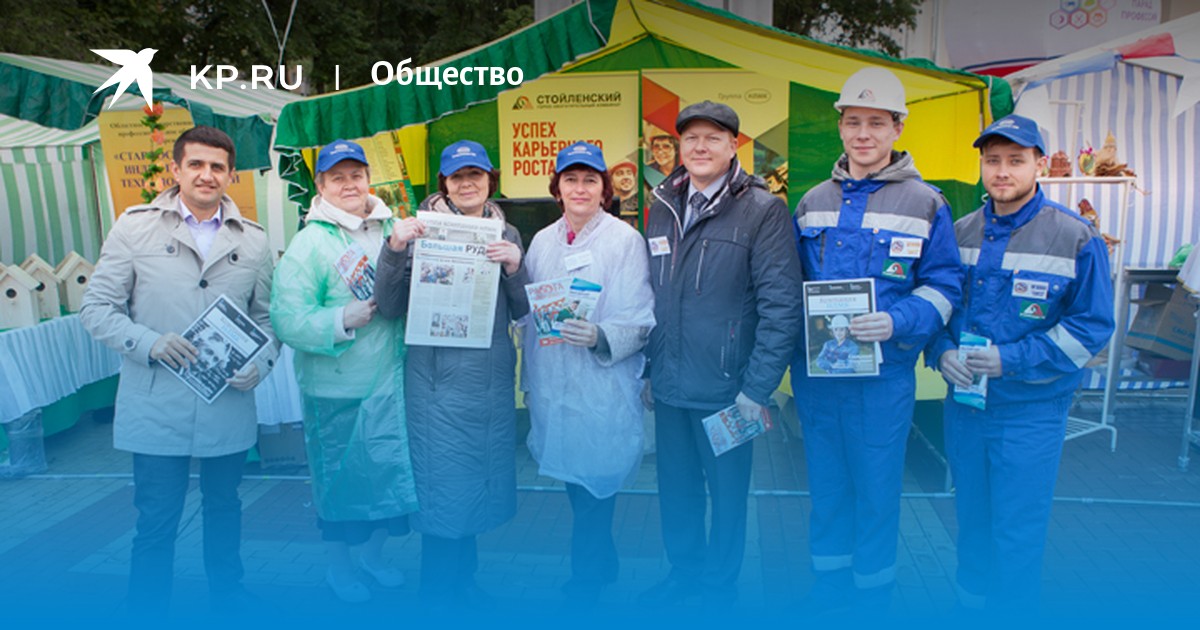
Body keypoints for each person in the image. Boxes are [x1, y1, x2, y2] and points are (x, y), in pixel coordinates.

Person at [79, 126, 278, 615]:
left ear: (231, 174)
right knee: (155, 518)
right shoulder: (135, 227)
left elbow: (266, 319)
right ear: (176, 169)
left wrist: (261, 363)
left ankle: (228, 598)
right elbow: (97, 308)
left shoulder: (253, 241)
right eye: (196, 164)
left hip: (226, 404)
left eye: (217, 167)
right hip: (156, 403)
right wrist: (148, 342)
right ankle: (146, 608)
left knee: (226, 508)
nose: (206, 175)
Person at [790, 66, 963, 613]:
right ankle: (828, 585)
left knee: (877, 489)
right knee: (826, 489)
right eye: (854, 122)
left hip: (882, 378)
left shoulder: (926, 203)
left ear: (898, 128)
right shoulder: (812, 201)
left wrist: (899, 322)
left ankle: (873, 593)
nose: (864, 134)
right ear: (841, 127)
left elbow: (945, 285)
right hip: (818, 376)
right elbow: (788, 285)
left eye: (877, 123)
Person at [929, 115, 1114, 611]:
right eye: (993, 161)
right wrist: (940, 351)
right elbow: (939, 305)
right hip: (965, 406)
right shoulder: (960, 232)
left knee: (1017, 530)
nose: (1002, 171)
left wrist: (1008, 360)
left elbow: (1091, 327)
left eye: (1015, 160)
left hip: (1030, 411)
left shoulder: (1076, 237)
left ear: (1038, 164)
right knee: (970, 520)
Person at [641, 101, 803, 607]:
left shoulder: (762, 209)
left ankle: (718, 591)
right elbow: (654, 297)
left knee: (728, 498)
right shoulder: (663, 206)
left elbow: (781, 306)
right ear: (679, 147)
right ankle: (684, 575)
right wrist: (650, 369)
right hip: (669, 385)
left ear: (735, 145)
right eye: (691, 138)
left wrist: (758, 389)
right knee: (678, 493)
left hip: (730, 392)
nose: (701, 147)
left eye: (714, 137)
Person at [373, 139, 529, 610]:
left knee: (476, 485)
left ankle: (465, 583)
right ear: (444, 183)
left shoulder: (509, 234)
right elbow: (391, 306)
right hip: (436, 388)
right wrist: (396, 248)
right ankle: (437, 596)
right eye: (457, 177)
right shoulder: (418, 231)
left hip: (489, 386)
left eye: (475, 176)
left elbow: (523, 310)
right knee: (443, 494)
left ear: (489, 182)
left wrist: (515, 268)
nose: (467, 184)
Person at [269, 139, 418, 603]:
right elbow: (287, 317)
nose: (349, 185)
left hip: (394, 383)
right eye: (338, 177)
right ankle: (339, 568)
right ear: (321, 186)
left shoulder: (394, 226)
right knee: (340, 485)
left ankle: (373, 559)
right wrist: (339, 320)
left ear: (368, 178)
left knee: (389, 482)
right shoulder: (310, 243)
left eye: (356, 175)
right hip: (339, 390)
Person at [521, 142, 655, 609]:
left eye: (590, 180)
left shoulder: (624, 241)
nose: (580, 188)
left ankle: (587, 581)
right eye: (571, 179)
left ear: (604, 189)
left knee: (597, 479)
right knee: (576, 482)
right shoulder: (542, 241)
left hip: (601, 383)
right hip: (554, 383)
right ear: (556, 188)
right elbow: (528, 311)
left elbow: (640, 316)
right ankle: (604, 562)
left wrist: (600, 334)